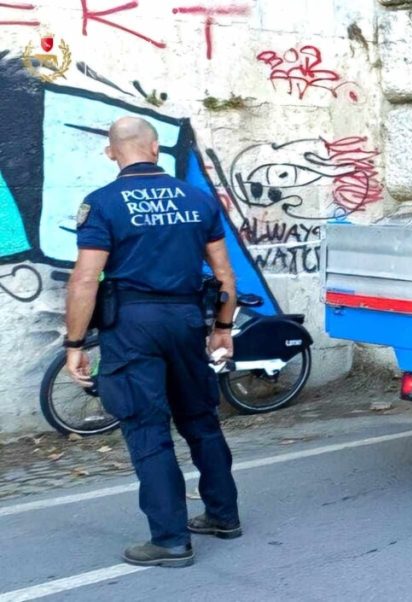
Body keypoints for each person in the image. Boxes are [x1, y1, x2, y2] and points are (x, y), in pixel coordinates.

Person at [65, 117, 242, 567]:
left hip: (132, 325)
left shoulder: (102, 203)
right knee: (201, 419)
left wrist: (75, 343)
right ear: (156, 147)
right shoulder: (198, 199)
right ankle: (223, 515)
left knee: (147, 426)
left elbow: (85, 279)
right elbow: (224, 274)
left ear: (111, 152)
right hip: (186, 320)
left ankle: (169, 540)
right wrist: (222, 329)